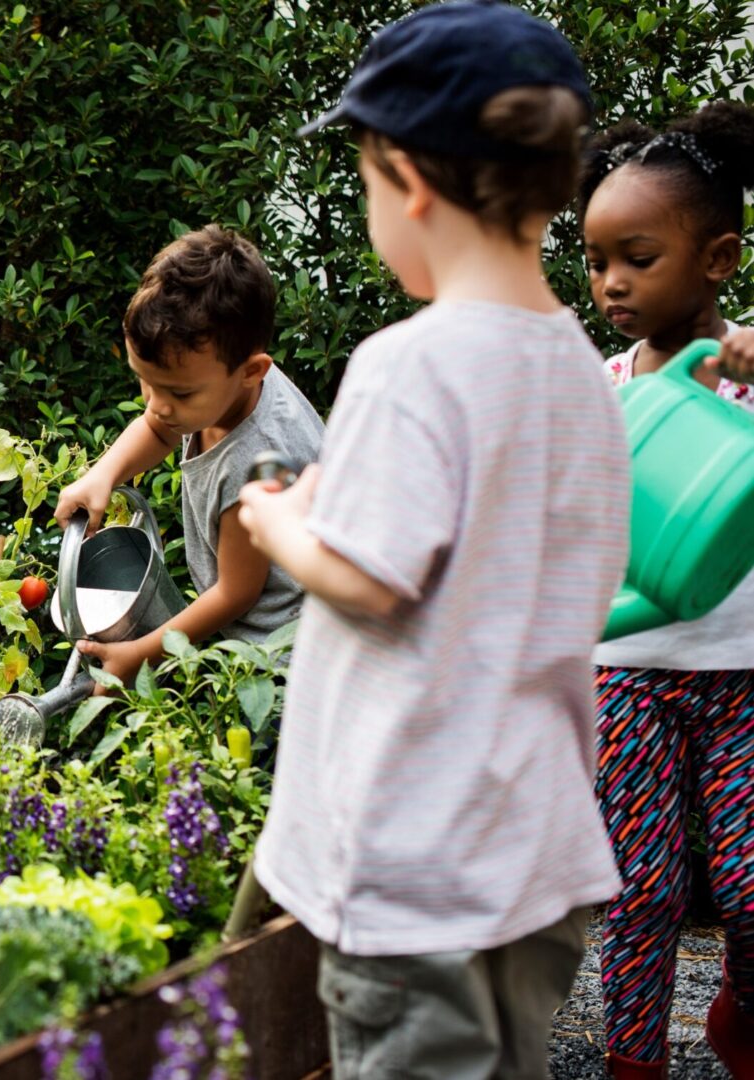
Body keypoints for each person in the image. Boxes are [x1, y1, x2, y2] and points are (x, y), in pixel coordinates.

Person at [235, 3, 632, 1075]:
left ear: (406, 179)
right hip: (531, 853)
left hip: (417, 869)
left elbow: (371, 579)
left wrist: (282, 523)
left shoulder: (410, 365)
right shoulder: (583, 377)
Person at [580, 101, 754, 1079]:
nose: (609, 283)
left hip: (742, 679)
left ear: (718, 258)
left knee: (751, 885)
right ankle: (633, 1063)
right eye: (598, 259)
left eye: (635, 258)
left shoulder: (747, 370)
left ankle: (741, 1015)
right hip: (632, 676)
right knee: (640, 892)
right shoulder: (603, 386)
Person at [52, 225, 324, 685]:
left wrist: (141, 654)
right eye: (146, 381)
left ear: (251, 370)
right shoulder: (215, 391)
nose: (157, 405)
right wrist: (104, 474)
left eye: (176, 392)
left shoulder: (257, 465)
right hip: (250, 628)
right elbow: (156, 427)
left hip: (284, 659)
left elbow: (236, 593)